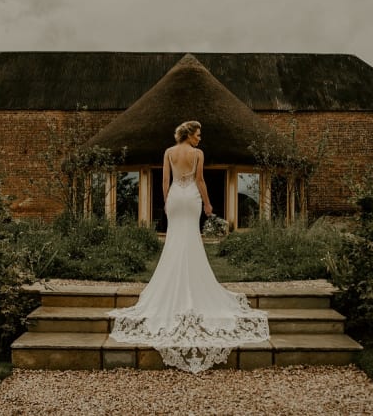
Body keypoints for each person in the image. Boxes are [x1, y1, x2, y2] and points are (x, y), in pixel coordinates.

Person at [108, 121, 269, 373]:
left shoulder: (169, 152)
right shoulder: (197, 154)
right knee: (191, 239)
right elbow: (200, 180)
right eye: (198, 134)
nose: (200, 139)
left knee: (174, 241)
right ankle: (193, 284)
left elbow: (163, 180)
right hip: (191, 197)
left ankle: (173, 285)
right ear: (189, 134)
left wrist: (167, 201)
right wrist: (207, 205)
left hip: (174, 197)